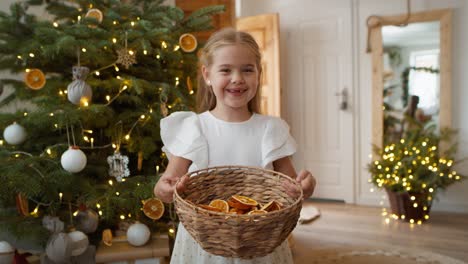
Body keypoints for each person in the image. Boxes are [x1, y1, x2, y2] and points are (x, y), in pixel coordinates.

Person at [154, 28, 316, 264]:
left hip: (259, 243)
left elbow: (292, 189)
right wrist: (164, 190)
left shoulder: (270, 130)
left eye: (247, 70)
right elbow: (166, 189)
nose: (237, 78)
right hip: (203, 247)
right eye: (226, 70)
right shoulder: (194, 128)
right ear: (207, 75)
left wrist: (305, 188)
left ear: (259, 74)